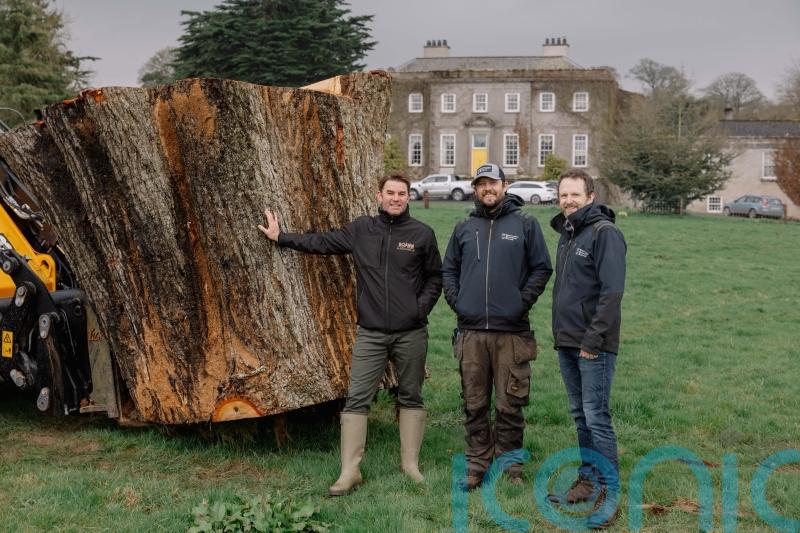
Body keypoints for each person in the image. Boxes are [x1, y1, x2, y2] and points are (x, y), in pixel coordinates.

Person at [258, 173, 442, 496]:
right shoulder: (361, 230)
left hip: (411, 333)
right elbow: (322, 243)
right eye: (390, 193)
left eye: (402, 193)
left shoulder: (422, 235)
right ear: (378, 196)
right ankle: (349, 471)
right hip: (370, 333)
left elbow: (435, 278)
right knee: (357, 398)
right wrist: (281, 237)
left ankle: (410, 466)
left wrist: (419, 308)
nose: (396, 198)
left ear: (409, 197)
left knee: (411, 395)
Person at [441, 163, 553, 490]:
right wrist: (458, 302)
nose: (487, 189)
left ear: (505, 185)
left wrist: (520, 302)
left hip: (512, 333)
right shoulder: (464, 227)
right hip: (472, 332)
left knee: (509, 403)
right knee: (474, 402)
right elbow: (448, 270)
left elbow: (542, 269)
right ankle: (477, 463)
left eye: (493, 183)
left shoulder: (525, 224)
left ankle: (509, 464)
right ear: (475, 189)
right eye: (481, 184)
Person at [547, 169, 626, 529]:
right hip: (567, 341)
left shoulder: (605, 234)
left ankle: (610, 495)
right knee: (580, 415)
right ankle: (587, 480)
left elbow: (611, 294)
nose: (568, 201)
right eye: (564, 195)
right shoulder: (568, 232)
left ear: (590, 196)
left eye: (575, 195)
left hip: (593, 345)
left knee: (597, 417)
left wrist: (592, 341)